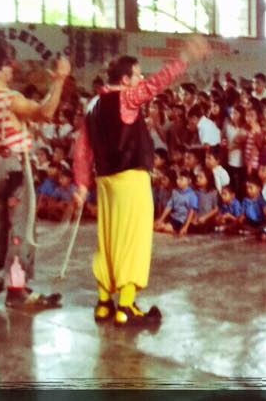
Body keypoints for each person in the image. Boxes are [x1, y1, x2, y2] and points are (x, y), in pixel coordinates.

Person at [74, 36, 210, 325]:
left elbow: (83, 149)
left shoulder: (93, 104)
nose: (141, 78)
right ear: (125, 79)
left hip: (105, 181)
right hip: (130, 179)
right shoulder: (125, 96)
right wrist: (184, 59)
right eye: (137, 74)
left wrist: (82, 184)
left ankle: (103, 303)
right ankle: (126, 306)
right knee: (133, 239)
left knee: (108, 239)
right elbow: (157, 84)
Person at [0, 44, 71, 309]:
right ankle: (16, 288)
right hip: (16, 166)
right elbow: (46, 112)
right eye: (6, 64)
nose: (11, 68)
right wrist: (59, 80)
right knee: (20, 227)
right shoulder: (10, 99)